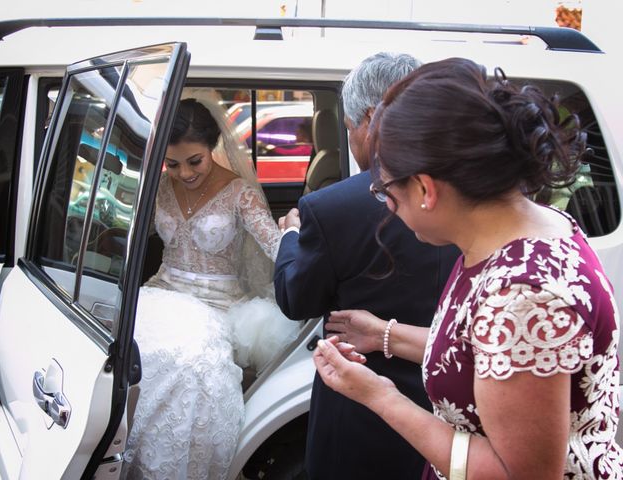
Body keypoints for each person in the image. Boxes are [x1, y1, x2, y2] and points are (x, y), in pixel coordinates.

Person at [314, 57, 623, 479]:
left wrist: (380, 395)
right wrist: (384, 335)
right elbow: (484, 351)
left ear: (425, 189)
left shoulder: (523, 294)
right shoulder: (525, 229)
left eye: (386, 190)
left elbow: (516, 475)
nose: (386, 205)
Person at [273, 52, 459, 479]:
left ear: (373, 119)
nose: (351, 138)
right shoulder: (466, 192)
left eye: (349, 125)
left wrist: (289, 235)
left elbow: (296, 297)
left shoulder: (330, 207)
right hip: (449, 407)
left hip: (358, 408)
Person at [122, 96, 300, 480]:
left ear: (213, 147)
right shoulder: (159, 186)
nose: (184, 173)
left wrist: (295, 232)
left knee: (190, 364)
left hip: (216, 305)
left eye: (194, 161)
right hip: (161, 291)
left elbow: (275, 245)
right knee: (124, 348)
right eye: (172, 164)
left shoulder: (240, 194)